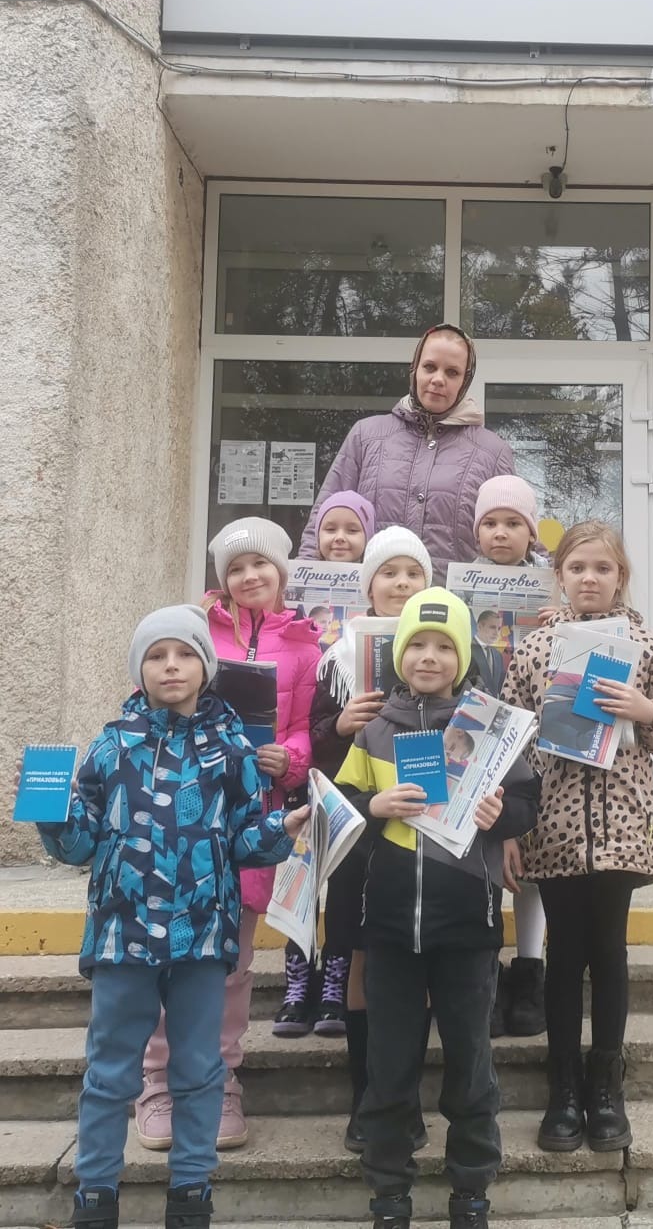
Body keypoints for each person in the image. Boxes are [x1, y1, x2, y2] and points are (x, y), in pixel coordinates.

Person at [35, 606, 311, 1229]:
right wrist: (54, 816)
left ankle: (191, 1192)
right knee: (110, 1072)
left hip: (202, 939)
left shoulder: (233, 748)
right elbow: (80, 845)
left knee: (198, 1068)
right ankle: (95, 1195)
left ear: (205, 667)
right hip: (121, 938)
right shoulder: (111, 746)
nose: (171, 666)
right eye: (157, 656)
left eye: (185, 654)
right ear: (140, 670)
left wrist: (282, 827)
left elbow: (244, 839)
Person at [338, 588, 538, 1229]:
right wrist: (373, 808)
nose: (429, 657)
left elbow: (527, 801)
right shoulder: (374, 730)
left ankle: (471, 1190)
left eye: (444, 646)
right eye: (417, 645)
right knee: (389, 1066)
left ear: (463, 658)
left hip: (467, 926)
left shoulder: (490, 729)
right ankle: (389, 1193)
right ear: (399, 654)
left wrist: (500, 814)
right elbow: (338, 811)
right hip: (390, 928)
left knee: (471, 1064)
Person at [500, 521, 653, 1155]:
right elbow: (508, 740)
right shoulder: (537, 649)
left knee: (609, 951)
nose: (590, 578)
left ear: (621, 577)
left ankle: (606, 1084)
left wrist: (645, 710)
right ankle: (562, 1086)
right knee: (564, 954)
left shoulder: (644, 645)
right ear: (559, 576)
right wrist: (509, 826)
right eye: (578, 567)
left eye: (603, 568)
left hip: (622, 828)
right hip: (555, 829)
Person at [135, 519, 320, 1154]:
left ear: (281, 572)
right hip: (180, 822)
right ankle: (158, 1080)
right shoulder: (192, 634)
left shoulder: (305, 645)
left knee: (234, 965)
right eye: (236, 568)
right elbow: (149, 704)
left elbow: (306, 726)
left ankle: (220, 1080)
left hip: (251, 820)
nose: (249, 577)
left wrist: (290, 759)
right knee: (169, 954)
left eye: (260, 564)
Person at [302, 526, 433, 1143]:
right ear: (368, 585)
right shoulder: (336, 656)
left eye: (413, 573)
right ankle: (366, 1100)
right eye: (388, 573)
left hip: (427, 837)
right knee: (359, 957)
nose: (401, 584)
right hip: (360, 834)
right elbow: (314, 745)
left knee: (416, 966)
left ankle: (405, 1101)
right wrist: (340, 725)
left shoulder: (452, 657)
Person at [273, 489, 378, 1039]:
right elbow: (312, 721)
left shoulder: (397, 628)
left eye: (352, 529)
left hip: (363, 783)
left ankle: (334, 979)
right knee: (303, 874)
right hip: (311, 772)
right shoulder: (297, 613)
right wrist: (336, 727)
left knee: (345, 883)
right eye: (330, 528)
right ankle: (299, 979)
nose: (340, 539)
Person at [299, 325, 514, 579]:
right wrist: (304, 582)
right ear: (414, 369)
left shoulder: (492, 452)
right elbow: (323, 519)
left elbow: (517, 532)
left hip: (451, 601)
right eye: (430, 367)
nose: (438, 379)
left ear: (465, 381)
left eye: (452, 372)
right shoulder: (366, 436)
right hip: (370, 600)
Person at [470, 475, 551, 1040]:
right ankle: (487, 973)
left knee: (531, 864)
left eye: (513, 523)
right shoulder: (457, 588)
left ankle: (530, 970)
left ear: (531, 531)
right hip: (477, 736)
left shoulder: (553, 592)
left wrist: (557, 621)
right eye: (491, 523)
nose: (501, 533)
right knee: (483, 853)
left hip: (540, 741)